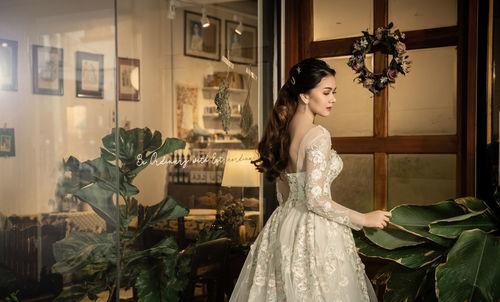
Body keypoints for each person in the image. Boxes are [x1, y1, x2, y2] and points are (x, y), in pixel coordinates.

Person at [229, 58, 391, 302]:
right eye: (326, 92)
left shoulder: (284, 131)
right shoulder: (317, 135)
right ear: (304, 96)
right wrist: (364, 219)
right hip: (315, 229)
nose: (333, 99)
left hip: (284, 225)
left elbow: (283, 194)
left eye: (333, 92)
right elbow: (316, 200)